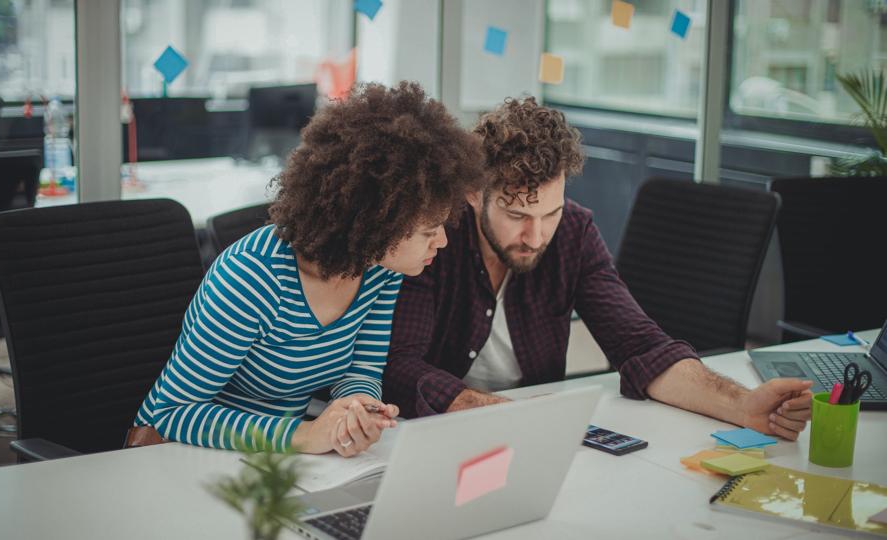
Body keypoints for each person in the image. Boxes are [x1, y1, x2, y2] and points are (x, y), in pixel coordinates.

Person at [382, 97, 812, 440]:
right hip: (441, 437)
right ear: (475, 195)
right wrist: (499, 415)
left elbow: (641, 346)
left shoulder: (573, 230)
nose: (536, 236)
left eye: (549, 213)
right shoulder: (436, 239)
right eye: (516, 217)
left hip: (532, 436)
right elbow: (399, 366)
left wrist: (741, 404)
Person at [133, 82, 486, 456]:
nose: (442, 243)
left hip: (272, 462)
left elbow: (361, 369)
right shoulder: (250, 277)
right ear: (373, 223)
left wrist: (357, 412)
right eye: (429, 232)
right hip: (181, 455)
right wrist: (305, 434)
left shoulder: (380, 269)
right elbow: (174, 413)